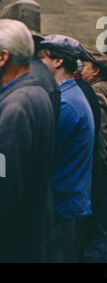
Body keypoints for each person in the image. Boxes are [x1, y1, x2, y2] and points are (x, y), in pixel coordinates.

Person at [0, 19, 55, 263]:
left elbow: (6, 183)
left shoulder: (16, 106)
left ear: (2, 57)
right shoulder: (36, 93)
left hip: (13, 242)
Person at [38, 35, 95, 263]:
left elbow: (44, 154)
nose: (38, 63)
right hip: (69, 201)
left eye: (42, 58)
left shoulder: (66, 102)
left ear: (58, 61)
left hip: (62, 204)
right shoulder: (70, 95)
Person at [80, 48, 107, 261]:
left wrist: (97, 169)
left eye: (85, 66)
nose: (81, 69)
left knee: (95, 231)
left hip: (102, 168)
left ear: (95, 70)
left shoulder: (97, 92)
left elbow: (101, 137)